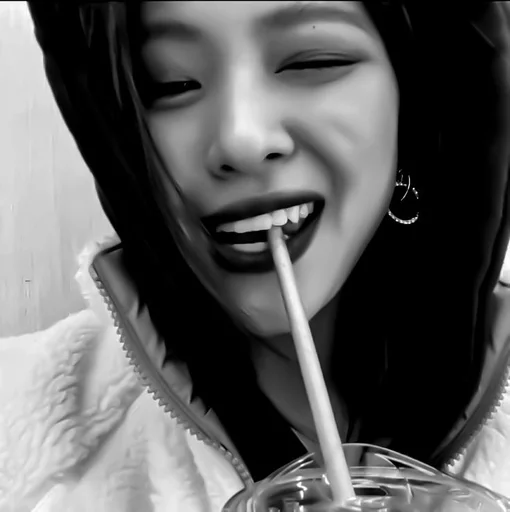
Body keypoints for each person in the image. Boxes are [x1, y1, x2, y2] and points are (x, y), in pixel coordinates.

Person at [2, 2, 510, 510]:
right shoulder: (19, 423)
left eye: (313, 61)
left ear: (418, 92)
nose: (240, 140)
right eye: (169, 82)